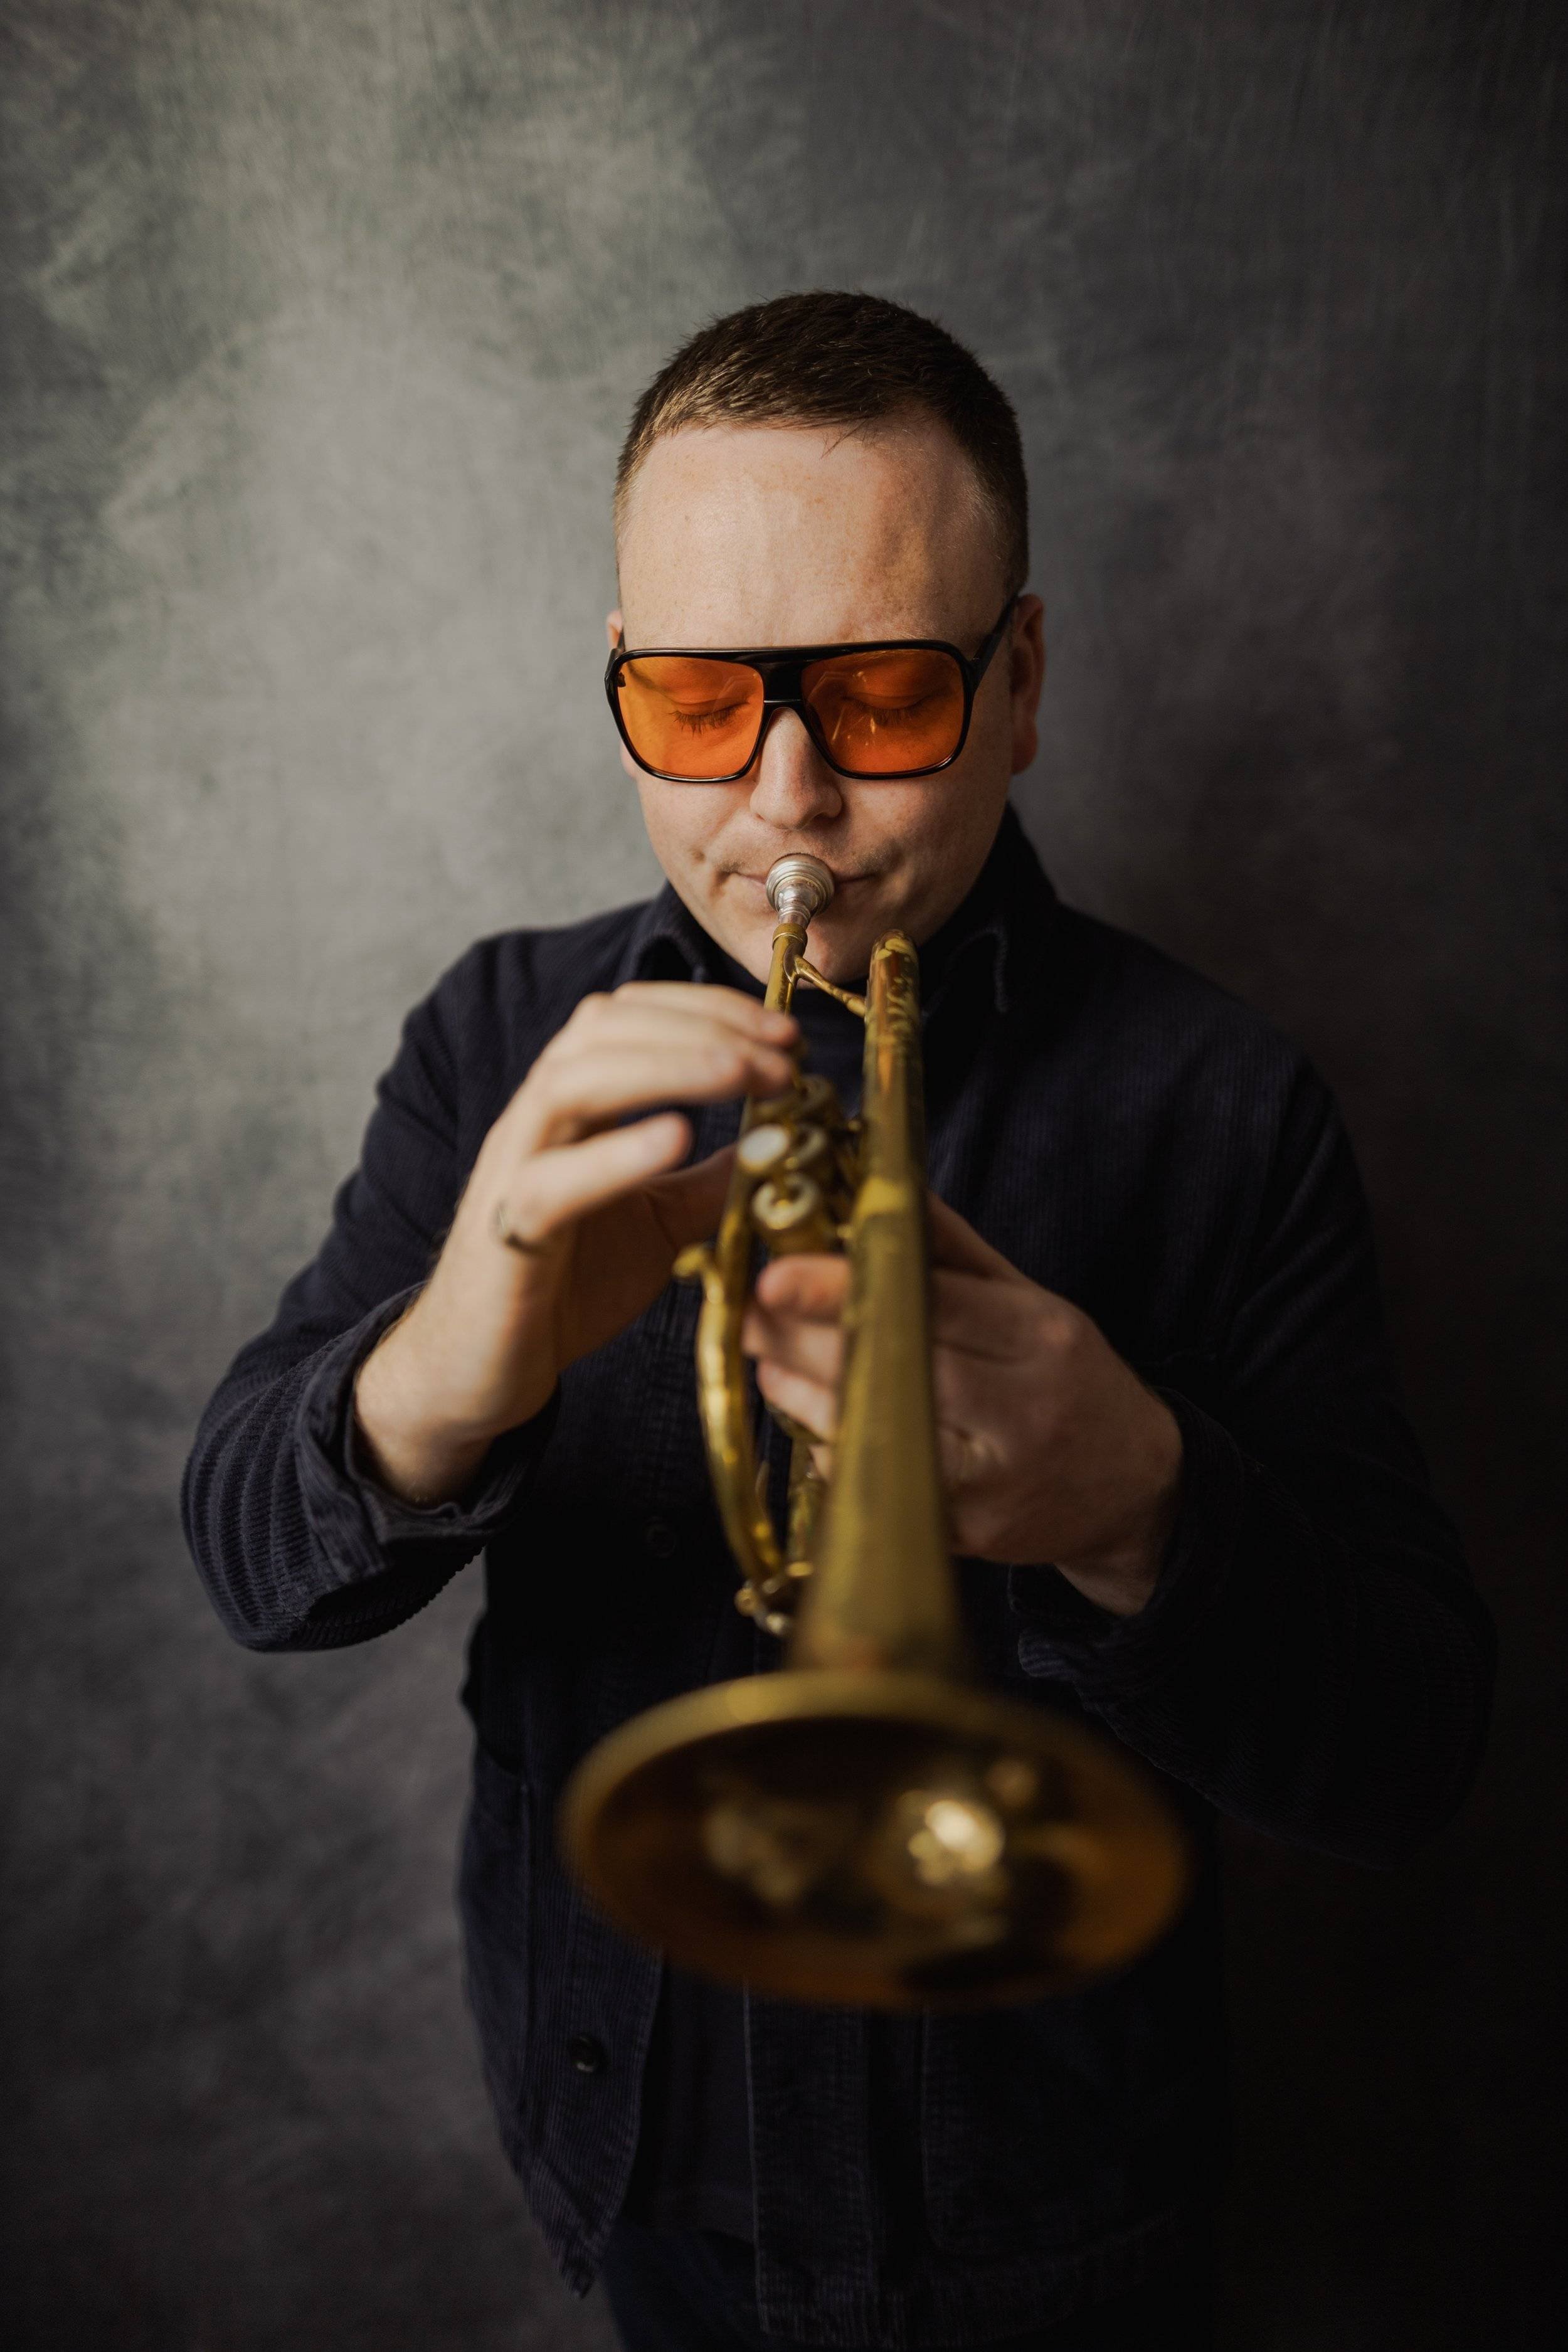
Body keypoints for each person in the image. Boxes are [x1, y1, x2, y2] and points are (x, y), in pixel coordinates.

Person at [183, 292, 1493, 2351]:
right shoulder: (501, 1037)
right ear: (621, 682)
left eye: (880, 695)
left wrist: (1136, 1500)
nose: (784, 800)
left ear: (1021, 680)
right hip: (627, 2170)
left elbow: (1410, 1757)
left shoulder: (1217, 1102)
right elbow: (245, 1564)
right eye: (699, 704)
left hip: (1046, 2224)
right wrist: (455, 1355)